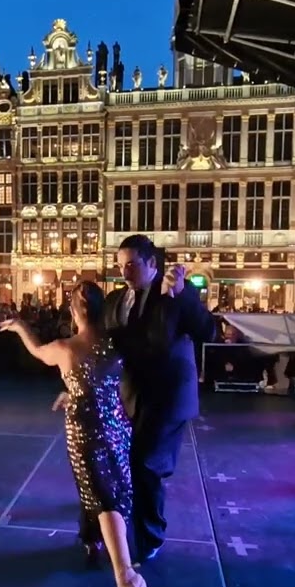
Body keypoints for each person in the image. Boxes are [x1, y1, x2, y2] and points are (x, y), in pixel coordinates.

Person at [2, 281, 152, 587]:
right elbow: (104, 381)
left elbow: (37, 351)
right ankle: (96, 545)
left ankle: (125, 578)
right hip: (116, 426)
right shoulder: (116, 343)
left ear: (74, 311)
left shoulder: (65, 348)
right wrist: (77, 393)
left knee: (101, 498)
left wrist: (20, 326)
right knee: (112, 493)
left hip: (84, 430)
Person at [95, 234, 215, 564]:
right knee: (123, 462)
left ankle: (150, 537)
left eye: (132, 265)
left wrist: (184, 295)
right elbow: (105, 343)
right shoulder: (117, 299)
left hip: (167, 396)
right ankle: (124, 524)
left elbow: (208, 331)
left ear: (152, 263)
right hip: (130, 394)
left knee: (145, 463)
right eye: (120, 266)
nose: (124, 272)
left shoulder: (173, 292)